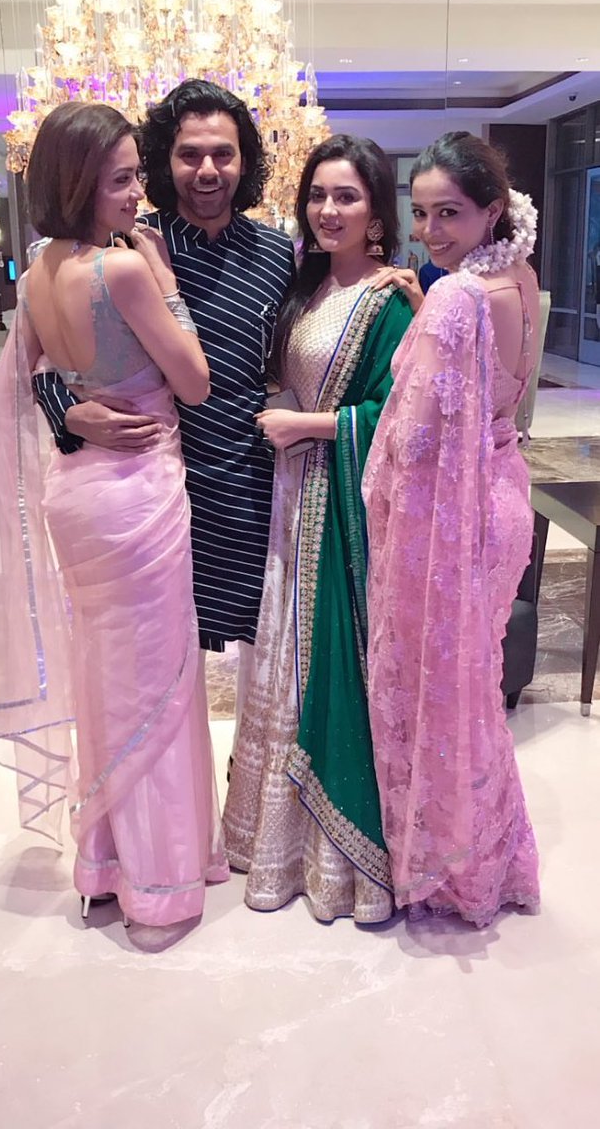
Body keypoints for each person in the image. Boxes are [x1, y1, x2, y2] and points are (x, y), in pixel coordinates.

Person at [0, 103, 229, 929]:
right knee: (158, 682)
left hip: (75, 497)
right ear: (76, 184)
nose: (138, 194)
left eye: (136, 175)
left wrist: (71, 409)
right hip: (135, 492)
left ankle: (104, 861)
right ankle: (158, 877)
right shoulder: (123, 270)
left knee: (105, 675)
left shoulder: (38, 269)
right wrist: (167, 282)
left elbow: (27, 376)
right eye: (119, 180)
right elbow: (195, 382)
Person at [32, 82, 296, 733]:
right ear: (161, 160)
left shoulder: (277, 254)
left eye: (223, 154)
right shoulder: (126, 242)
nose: (207, 170)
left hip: (249, 479)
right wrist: (66, 410)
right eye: (189, 154)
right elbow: (36, 355)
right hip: (151, 478)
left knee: (268, 656)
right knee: (156, 671)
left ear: (245, 159)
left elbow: (313, 344)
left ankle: (251, 792)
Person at [223, 135, 413, 923]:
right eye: (317, 196)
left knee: (324, 662)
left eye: (346, 197)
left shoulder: (388, 301)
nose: (327, 210)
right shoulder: (306, 286)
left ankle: (338, 861)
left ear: (376, 213)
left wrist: (306, 426)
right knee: (278, 662)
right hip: (289, 500)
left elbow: (397, 418)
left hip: (339, 507)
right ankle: (266, 839)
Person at [362, 131, 541, 928]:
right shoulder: (518, 276)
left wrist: (372, 487)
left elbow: (413, 436)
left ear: (490, 212)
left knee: (437, 693)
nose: (429, 231)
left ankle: (443, 870)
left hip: (456, 514)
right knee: (475, 693)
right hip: (505, 494)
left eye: (449, 213)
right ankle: (488, 857)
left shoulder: (456, 298)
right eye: (421, 212)